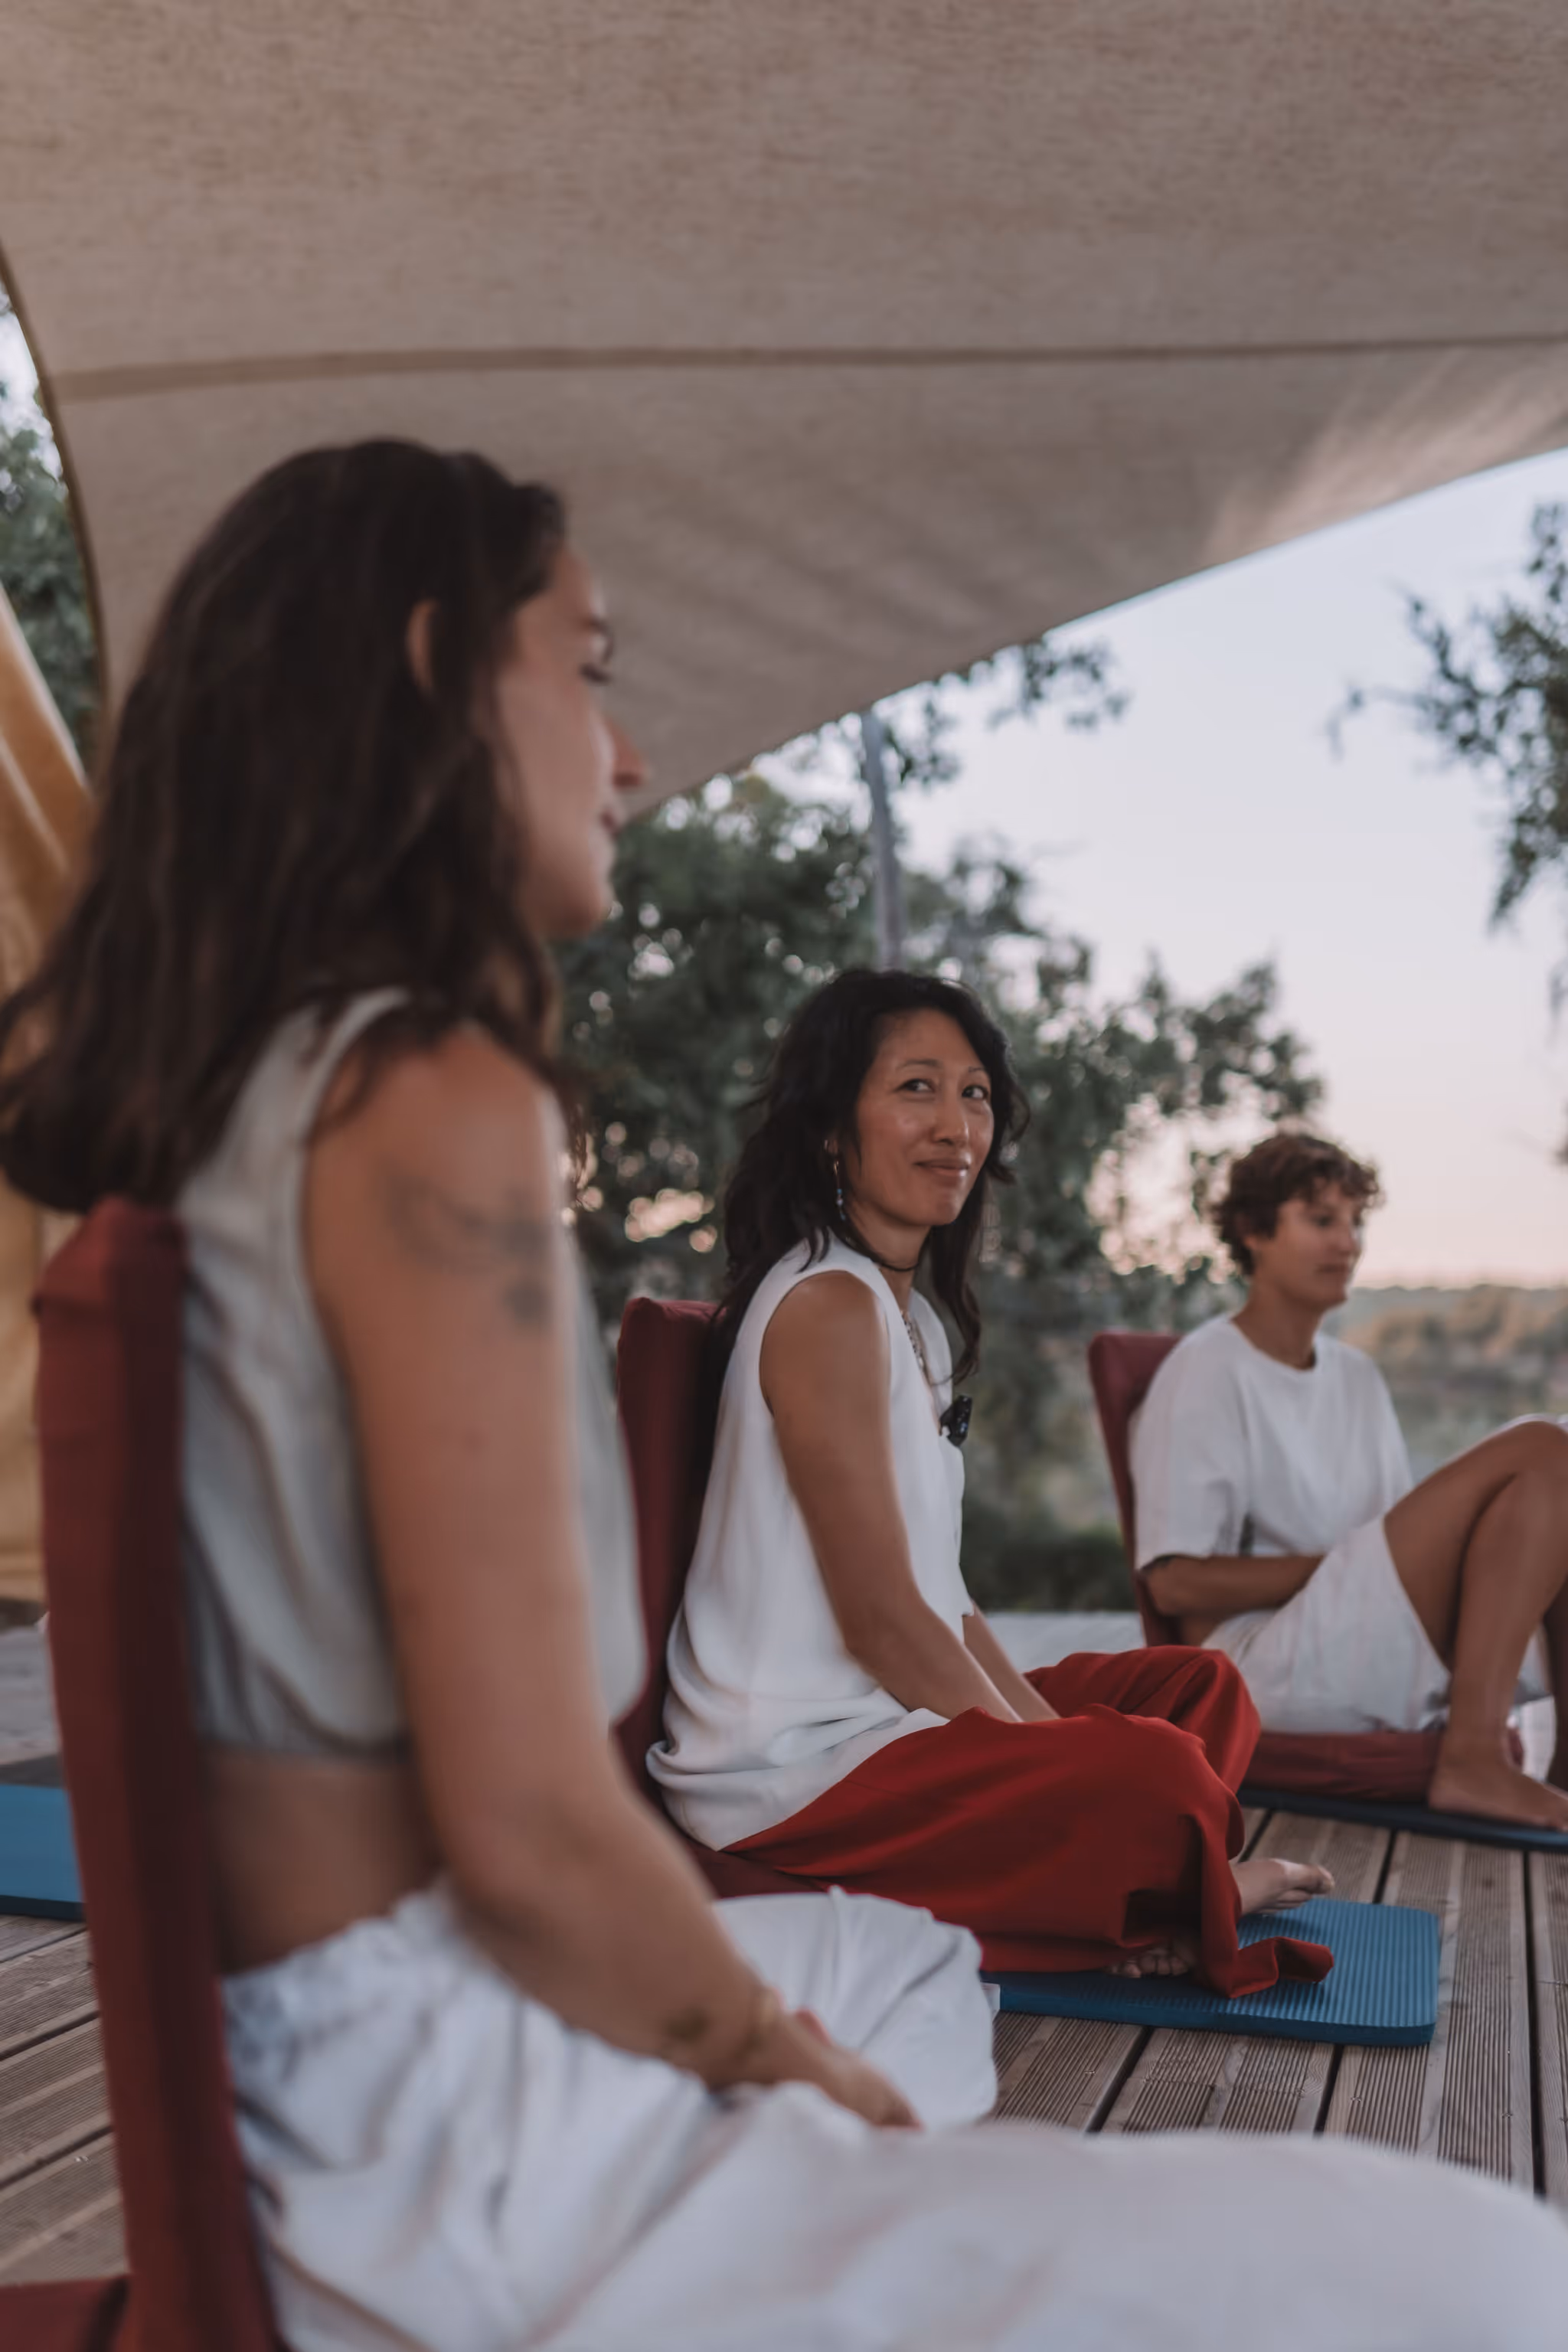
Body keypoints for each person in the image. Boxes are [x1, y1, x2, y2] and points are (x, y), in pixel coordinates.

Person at [1, 442, 1563, 2351]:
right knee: (1501, 2275)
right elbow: (530, 1826)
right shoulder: (425, 1096)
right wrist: (783, 2073)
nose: (630, 750)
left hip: (354, 2130)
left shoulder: (249, 1123)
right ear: (433, 674)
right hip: (479, 2165)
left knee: (907, 1978)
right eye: (583, 669)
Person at [653, 969, 1334, 1991]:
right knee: (1151, 1775)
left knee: (1199, 1690)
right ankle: (1169, 1891)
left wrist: (1056, 1750)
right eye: (915, 1088)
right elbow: (885, 1624)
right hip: (792, 1773)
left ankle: (1135, 1886)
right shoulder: (827, 1307)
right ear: (833, 1128)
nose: (955, 1125)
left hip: (891, 1729)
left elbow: (946, 1601)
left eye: (973, 1094)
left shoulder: (912, 1322)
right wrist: (1062, 1767)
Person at [1130, 1131, 1568, 1829]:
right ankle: (1475, 1759)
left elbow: (1388, 1552)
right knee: (1547, 1443)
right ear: (1253, 1232)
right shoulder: (1206, 1371)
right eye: (1322, 1220)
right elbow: (1175, 1585)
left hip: (1359, 1627)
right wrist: (1345, 1567)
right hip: (1261, 1665)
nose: (1349, 1243)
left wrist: (1397, 1566)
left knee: (1546, 1488)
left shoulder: (1356, 1377)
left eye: (1356, 1222)